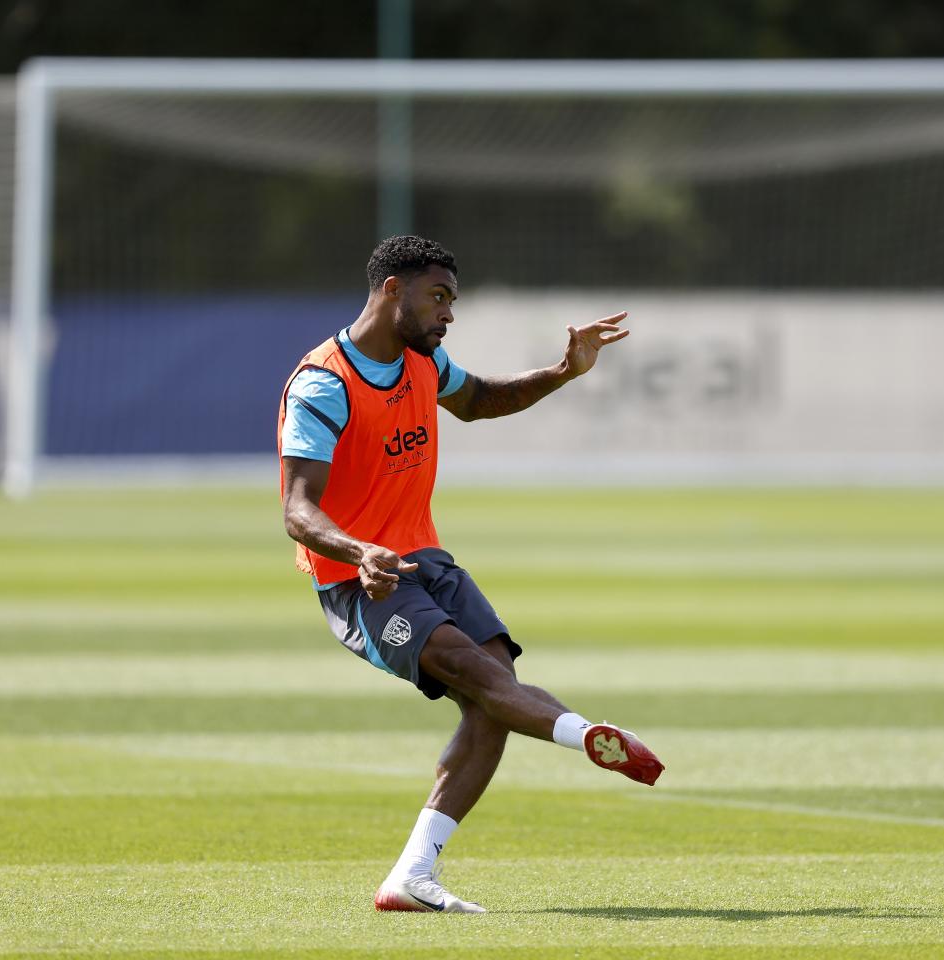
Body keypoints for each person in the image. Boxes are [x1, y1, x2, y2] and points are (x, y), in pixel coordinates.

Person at [277, 235, 664, 914]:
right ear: (392, 289)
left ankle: (412, 876)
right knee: (480, 678)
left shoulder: (424, 361)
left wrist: (563, 371)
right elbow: (297, 509)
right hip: (359, 578)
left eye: (451, 300)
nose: (449, 314)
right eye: (438, 297)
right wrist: (360, 552)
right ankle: (586, 735)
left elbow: (481, 399)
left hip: (426, 557)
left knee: (495, 695)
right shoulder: (323, 383)